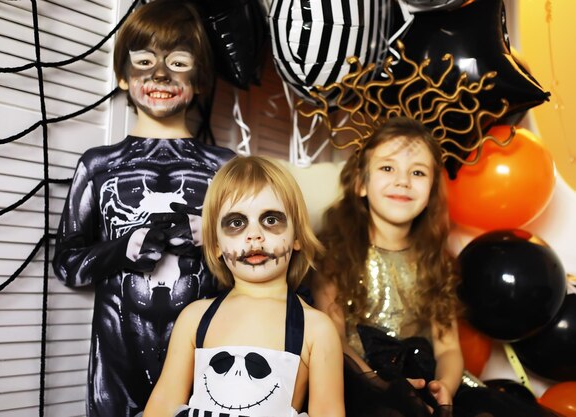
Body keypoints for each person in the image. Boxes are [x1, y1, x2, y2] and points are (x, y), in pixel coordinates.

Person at [52, 2, 234, 416]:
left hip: (210, 366)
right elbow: (67, 263)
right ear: (122, 74)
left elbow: (256, 260)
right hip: (117, 371)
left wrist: (211, 236)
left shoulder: (226, 167)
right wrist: (125, 247)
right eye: (145, 61)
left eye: (178, 62)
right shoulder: (97, 165)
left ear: (200, 78)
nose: (160, 75)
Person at [311, 116, 557, 417]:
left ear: (430, 192)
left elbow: (449, 348)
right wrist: (378, 384)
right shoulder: (336, 254)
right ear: (361, 183)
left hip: (428, 379)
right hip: (363, 380)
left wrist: (446, 387)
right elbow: (331, 339)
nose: (402, 180)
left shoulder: (433, 261)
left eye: (417, 172)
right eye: (388, 168)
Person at [143, 155, 345, 417]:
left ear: (297, 237)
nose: (254, 235)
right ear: (216, 245)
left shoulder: (316, 329)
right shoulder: (195, 318)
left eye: (271, 220)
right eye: (236, 223)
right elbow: (162, 406)